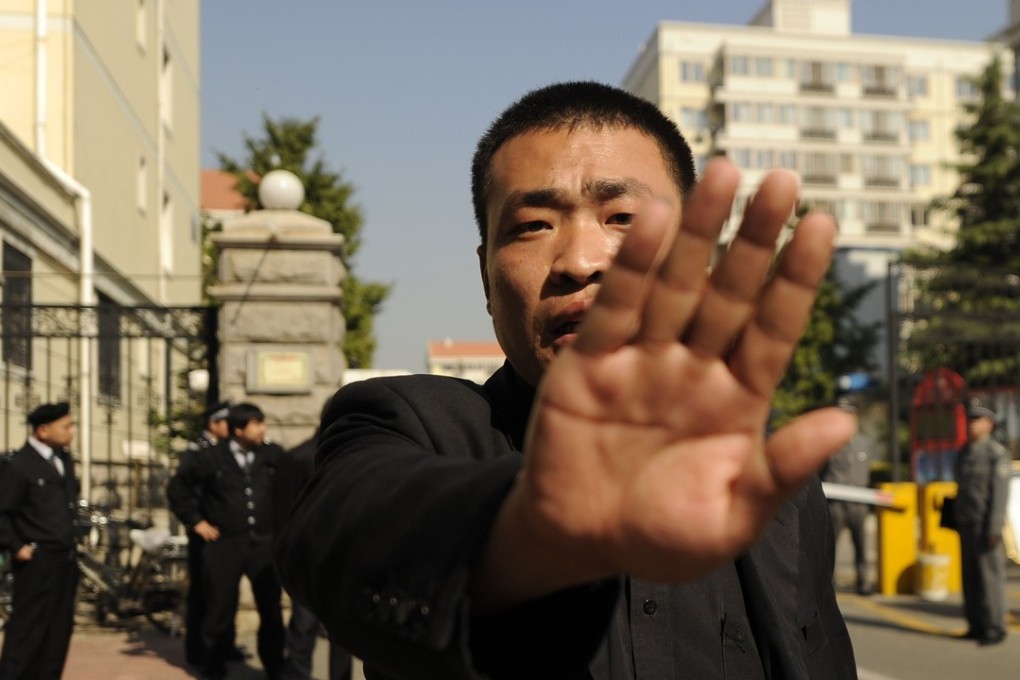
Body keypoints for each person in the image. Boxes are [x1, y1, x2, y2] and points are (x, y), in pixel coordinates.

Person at [277, 81, 857, 679]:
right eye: (532, 225)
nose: (580, 261)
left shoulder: (774, 488)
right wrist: (533, 530)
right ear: (485, 277)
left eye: (623, 217)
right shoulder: (411, 424)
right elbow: (338, 536)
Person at [168, 402, 287, 679]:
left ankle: (275, 666)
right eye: (256, 424)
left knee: (271, 608)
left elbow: (290, 485)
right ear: (238, 430)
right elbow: (178, 487)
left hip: (263, 543)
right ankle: (213, 666)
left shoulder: (272, 454)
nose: (263, 429)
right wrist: (196, 521)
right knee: (219, 608)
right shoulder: (210, 457)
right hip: (224, 544)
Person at [0, 402, 81, 680]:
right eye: (66, 426)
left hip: (65, 560)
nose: (72, 431)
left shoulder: (63, 461)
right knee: (27, 632)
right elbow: (2, 512)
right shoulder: (19, 465)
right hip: (37, 561)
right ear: (43, 431)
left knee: (58, 633)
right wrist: (16, 547)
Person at [274, 429, 352, 680]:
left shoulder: (307, 455)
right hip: (319, 555)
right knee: (320, 627)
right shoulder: (308, 457)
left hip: (319, 555)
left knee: (310, 627)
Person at [177, 401, 247, 669]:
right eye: (226, 423)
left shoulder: (227, 450)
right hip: (204, 535)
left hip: (225, 536)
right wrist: (196, 521)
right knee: (203, 593)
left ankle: (224, 644)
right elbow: (182, 489)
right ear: (213, 424)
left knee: (225, 594)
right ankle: (197, 650)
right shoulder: (198, 452)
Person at [953, 403, 1011, 646]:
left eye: (978, 420)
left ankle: (995, 626)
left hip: (985, 524)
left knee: (990, 577)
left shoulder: (995, 453)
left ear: (990, 424)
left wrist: (994, 527)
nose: (973, 424)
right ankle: (975, 623)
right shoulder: (964, 452)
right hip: (966, 521)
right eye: (971, 419)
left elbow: (1000, 495)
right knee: (970, 577)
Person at [821, 398, 875, 595]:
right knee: (829, 545)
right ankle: (827, 583)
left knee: (861, 545)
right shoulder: (828, 442)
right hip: (835, 501)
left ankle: (863, 581)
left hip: (858, 503)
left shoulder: (865, 442)